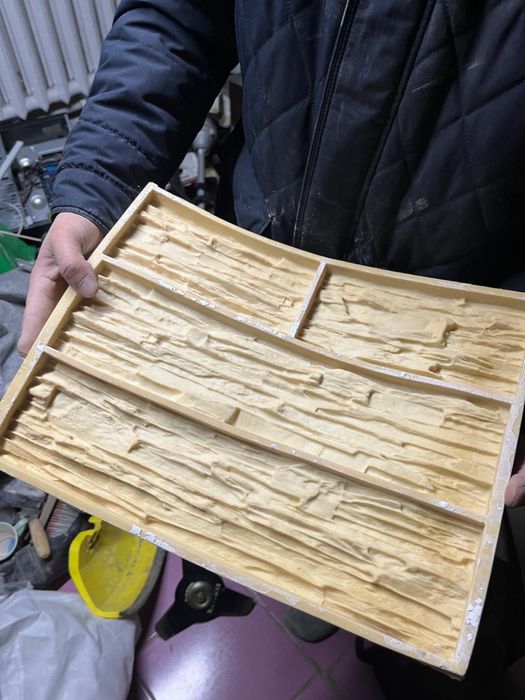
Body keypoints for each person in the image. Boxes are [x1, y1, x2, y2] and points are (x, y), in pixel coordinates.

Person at [17, 1, 525, 695]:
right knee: (252, 503)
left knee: (433, 613)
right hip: (258, 280)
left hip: (454, 345)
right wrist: (96, 185)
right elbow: (176, 16)